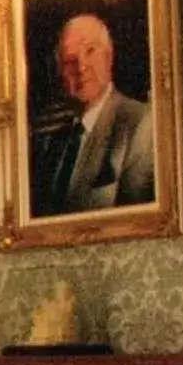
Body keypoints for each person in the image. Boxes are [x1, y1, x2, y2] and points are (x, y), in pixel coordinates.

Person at [29, 13, 155, 215]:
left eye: (90, 51)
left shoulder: (141, 123)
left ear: (109, 55)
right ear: (59, 71)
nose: (81, 67)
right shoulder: (52, 141)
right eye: (70, 60)